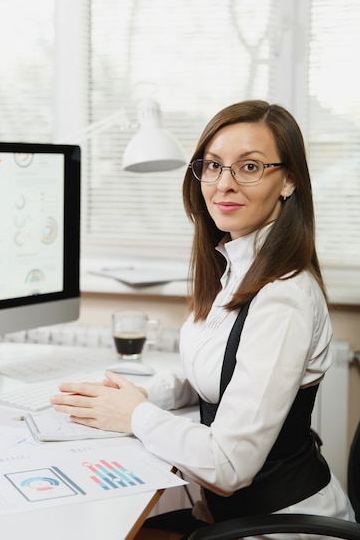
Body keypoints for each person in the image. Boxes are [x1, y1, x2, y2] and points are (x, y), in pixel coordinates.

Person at [50, 100, 355, 539]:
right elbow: (215, 376)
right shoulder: (234, 266)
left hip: (279, 527)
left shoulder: (282, 298)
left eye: (249, 167)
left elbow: (229, 466)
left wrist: (135, 415)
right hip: (226, 516)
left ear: (288, 180)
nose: (223, 184)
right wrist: (139, 396)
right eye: (213, 166)